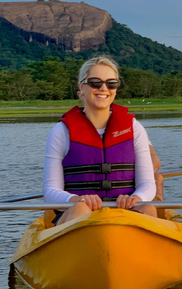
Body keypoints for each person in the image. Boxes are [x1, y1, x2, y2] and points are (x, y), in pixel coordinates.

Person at [43, 56, 157, 225]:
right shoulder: (61, 132)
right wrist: (76, 199)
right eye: (95, 82)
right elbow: (50, 190)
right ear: (81, 87)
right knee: (81, 209)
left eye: (111, 83)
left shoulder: (135, 128)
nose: (104, 88)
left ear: (115, 89)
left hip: (124, 210)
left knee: (148, 209)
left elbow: (147, 183)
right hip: (78, 212)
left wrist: (135, 198)